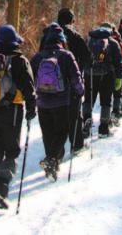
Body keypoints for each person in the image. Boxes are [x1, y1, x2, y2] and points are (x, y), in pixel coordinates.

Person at [0, 24, 36, 209]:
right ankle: (0, 187)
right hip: (11, 111)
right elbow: (29, 88)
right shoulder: (19, 61)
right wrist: (31, 108)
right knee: (11, 151)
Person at [30, 23, 84, 180]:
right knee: (62, 131)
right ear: (62, 40)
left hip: (42, 102)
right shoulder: (66, 55)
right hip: (61, 101)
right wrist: (80, 91)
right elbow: (76, 77)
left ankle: (51, 164)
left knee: (48, 133)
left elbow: (29, 77)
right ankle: (52, 160)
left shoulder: (38, 57)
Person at [39, 8, 90, 153]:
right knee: (74, 115)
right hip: (71, 82)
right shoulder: (75, 36)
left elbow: (40, 56)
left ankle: (55, 152)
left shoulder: (47, 36)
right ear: (71, 20)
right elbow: (87, 57)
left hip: (48, 83)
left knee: (54, 117)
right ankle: (77, 145)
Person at [82, 25, 122, 137]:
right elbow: (119, 62)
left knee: (88, 100)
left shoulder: (89, 41)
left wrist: (83, 73)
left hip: (89, 75)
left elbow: (82, 58)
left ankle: (86, 121)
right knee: (105, 101)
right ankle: (103, 129)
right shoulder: (113, 43)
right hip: (107, 75)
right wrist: (119, 77)